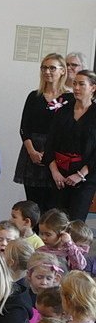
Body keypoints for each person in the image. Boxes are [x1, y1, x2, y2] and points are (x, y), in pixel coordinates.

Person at [14, 54, 73, 212]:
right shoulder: (34, 96)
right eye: (44, 67)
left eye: (52, 67)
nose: (47, 71)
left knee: (52, 207)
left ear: (62, 71)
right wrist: (31, 151)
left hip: (57, 153)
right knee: (33, 206)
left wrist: (49, 154)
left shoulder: (70, 98)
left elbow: (69, 130)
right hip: (32, 152)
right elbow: (24, 127)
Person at [43, 69, 96, 221]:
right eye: (74, 84)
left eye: (81, 84)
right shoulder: (62, 109)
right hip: (58, 174)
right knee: (56, 221)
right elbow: (50, 142)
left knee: (75, 221)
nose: (76, 88)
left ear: (93, 88)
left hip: (85, 177)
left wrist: (80, 175)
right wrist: (54, 172)